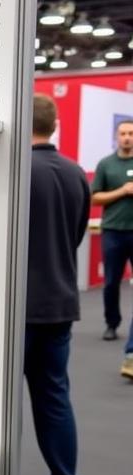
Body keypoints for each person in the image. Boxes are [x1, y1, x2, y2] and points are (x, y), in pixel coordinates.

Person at [26, 94, 91, 475]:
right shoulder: (76, 174)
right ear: (55, 125)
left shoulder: (12, 173)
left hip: (12, 311)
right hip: (60, 305)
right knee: (54, 398)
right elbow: (78, 234)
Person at [90, 120, 133, 370]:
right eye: (123, 134)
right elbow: (95, 197)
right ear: (117, 136)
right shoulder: (106, 164)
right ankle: (111, 323)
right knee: (111, 282)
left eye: (130, 134)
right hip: (113, 232)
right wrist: (123, 191)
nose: (127, 138)